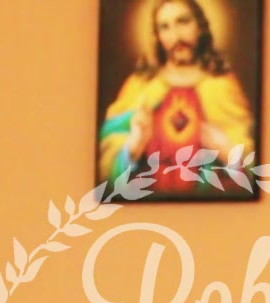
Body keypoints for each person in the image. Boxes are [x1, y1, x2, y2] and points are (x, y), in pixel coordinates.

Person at [97, 0, 255, 196]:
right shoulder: (141, 86)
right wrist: (133, 147)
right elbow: (105, 168)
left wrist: (227, 151)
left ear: (200, 27)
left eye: (183, 22)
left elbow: (255, 171)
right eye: (165, 27)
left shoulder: (222, 86)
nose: (176, 36)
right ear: (158, 37)